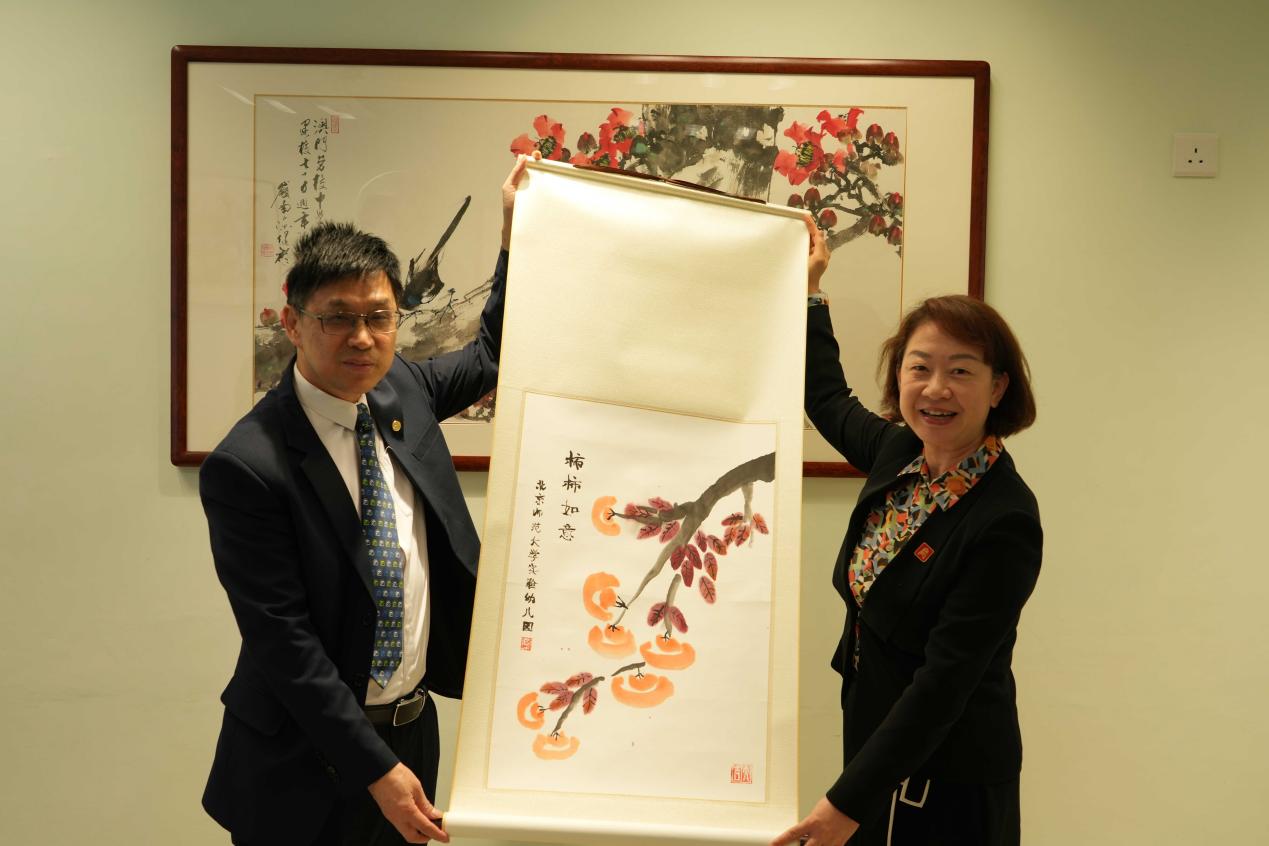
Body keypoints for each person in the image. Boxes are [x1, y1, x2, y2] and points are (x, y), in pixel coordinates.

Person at [199, 155, 535, 846]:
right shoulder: (248, 465)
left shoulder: (400, 388)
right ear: (293, 324)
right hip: (298, 765)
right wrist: (374, 769)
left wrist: (515, 233)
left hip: (411, 734)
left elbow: (492, 351)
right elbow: (284, 642)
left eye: (379, 316)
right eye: (337, 318)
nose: (362, 337)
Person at [774, 222, 1042, 846]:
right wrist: (811, 290)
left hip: (950, 778)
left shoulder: (1005, 519)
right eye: (920, 367)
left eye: (961, 370)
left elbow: (944, 684)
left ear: (998, 386)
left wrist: (843, 805)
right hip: (878, 747)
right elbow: (826, 396)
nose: (936, 388)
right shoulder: (901, 454)